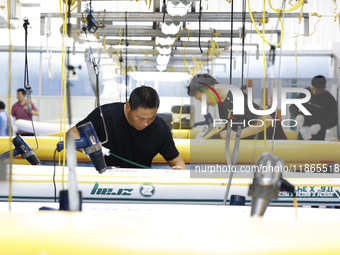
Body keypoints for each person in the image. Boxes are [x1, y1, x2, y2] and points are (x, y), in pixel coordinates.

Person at [67, 86, 186, 169]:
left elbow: (179, 163)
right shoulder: (105, 115)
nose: (146, 123)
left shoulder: (160, 128)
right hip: (104, 178)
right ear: (128, 106)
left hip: (141, 184)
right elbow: (71, 133)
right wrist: (88, 149)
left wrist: (177, 172)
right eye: (141, 118)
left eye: (151, 118)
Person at [187, 73, 287, 140]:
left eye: (201, 99)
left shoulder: (234, 97)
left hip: (273, 142)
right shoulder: (221, 101)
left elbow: (267, 120)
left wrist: (237, 134)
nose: (202, 103)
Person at [289, 75, 338, 140]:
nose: (314, 92)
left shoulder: (330, 99)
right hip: (303, 132)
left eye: (318, 90)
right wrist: (298, 115)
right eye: (313, 89)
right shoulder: (305, 93)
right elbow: (292, 107)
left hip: (319, 135)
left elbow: (334, 120)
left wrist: (320, 126)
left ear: (324, 88)